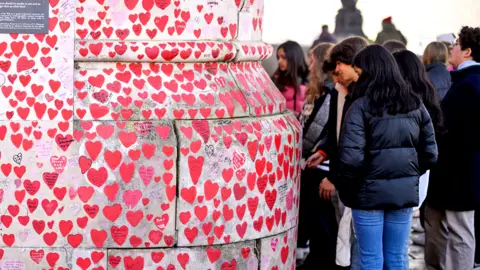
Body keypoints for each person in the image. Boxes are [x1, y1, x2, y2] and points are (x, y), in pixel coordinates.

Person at [337, 44, 438, 270]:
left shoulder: (360, 107)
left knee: (371, 259)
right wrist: (407, 172)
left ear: (370, 72)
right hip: (402, 194)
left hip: (366, 193)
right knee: (397, 257)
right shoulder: (415, 104)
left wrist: (351, 186)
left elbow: (351, 159)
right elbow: (430, 154)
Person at [306, 36, 369, 270]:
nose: (335, 76)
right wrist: (323, 151)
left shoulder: (363, 96)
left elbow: (354, 144)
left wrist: (334, 178)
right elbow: (336, 131)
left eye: (337, 69)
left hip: (352, 179)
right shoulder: (338, 91)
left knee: (355, 240)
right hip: (341, 174)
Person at [425, 26, 480, 270]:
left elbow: (450, 127)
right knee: (449, 228)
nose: (451, 48)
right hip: (457, 171)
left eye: (456, 44)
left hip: (460, 171)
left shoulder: (470, 84)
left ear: (467, 51)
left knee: (460, 231)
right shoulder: (465, 81)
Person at [393, 50, 445, 246]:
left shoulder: (408, 103)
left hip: (404, 176)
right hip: (418, 175)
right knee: (399, 245)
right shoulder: (428, 97)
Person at [297, 42, 338, 270]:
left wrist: (299, 147)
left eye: (312, 60)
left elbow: (316, 131)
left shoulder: (330, 93)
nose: (309, 64)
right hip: (312, 163)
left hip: (322, 166)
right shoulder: (318, 92)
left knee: (323, 222)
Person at [271, 41, 308, 117]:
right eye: (278, 57)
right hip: (282, 125)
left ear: (294, 58)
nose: (279, 61)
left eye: (284, 57)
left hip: (303, 127)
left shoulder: (309, 79)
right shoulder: (275, 80)